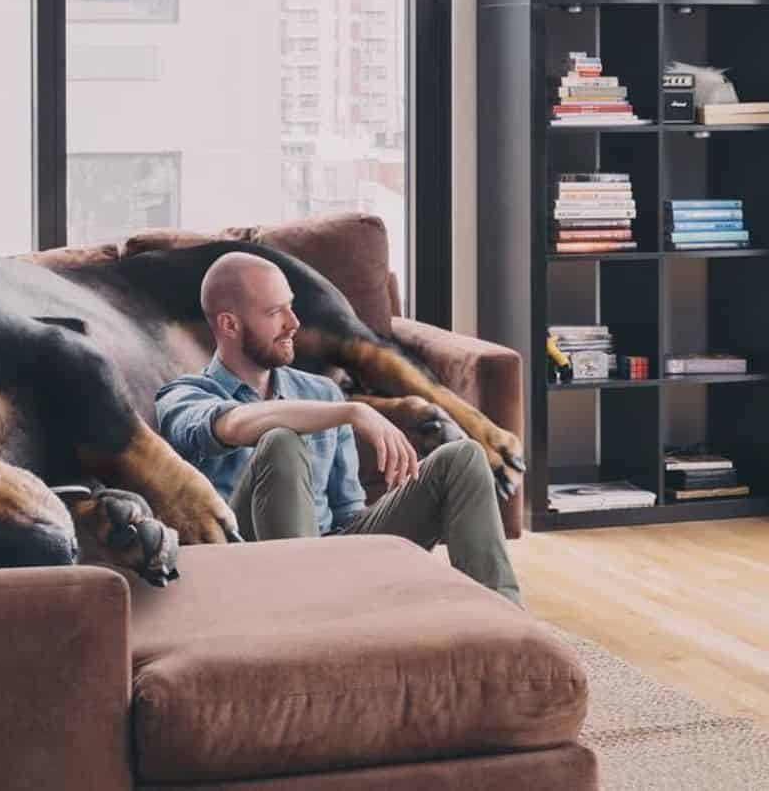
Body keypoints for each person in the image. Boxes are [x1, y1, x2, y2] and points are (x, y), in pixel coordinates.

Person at [154, 252, 521, 605]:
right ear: (229, 324)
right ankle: (310, 621)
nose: (293, 323)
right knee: (280, 441)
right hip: (250, 568)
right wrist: (351, 412)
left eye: (291, 305)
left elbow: (348, 514)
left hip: (332, 556)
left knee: (463, 458)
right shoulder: (182, 396)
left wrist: (396, 516)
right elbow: (233, 425)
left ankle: (506, 620)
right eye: (274, 312)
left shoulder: (321, 392)